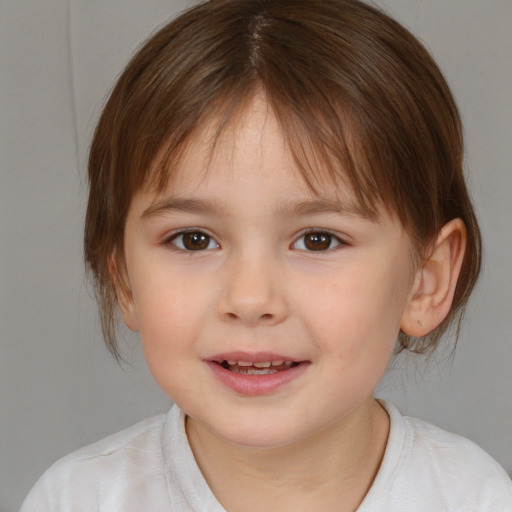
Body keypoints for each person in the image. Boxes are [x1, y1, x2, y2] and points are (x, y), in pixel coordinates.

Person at [21, 0, 512, 510]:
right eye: (194, 239)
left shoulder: (477, 498)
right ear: (124, 279)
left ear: (424, 281)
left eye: (318, 239)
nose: (250, 299)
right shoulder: (77, 499)